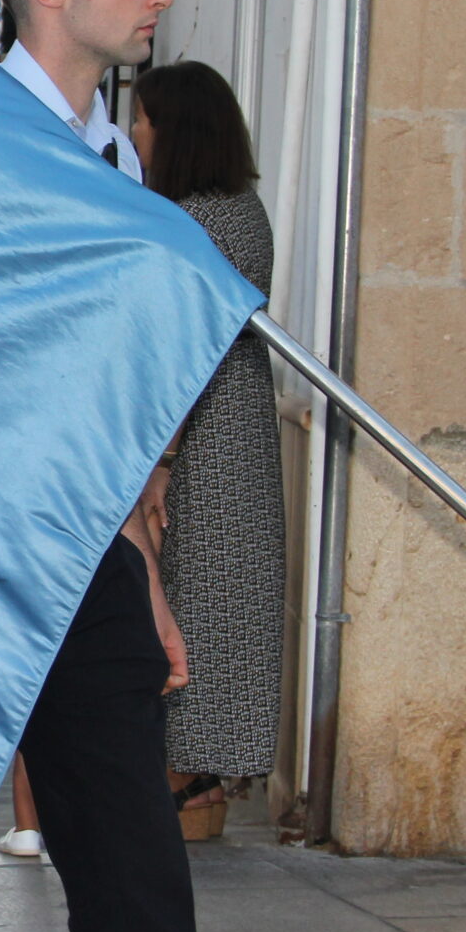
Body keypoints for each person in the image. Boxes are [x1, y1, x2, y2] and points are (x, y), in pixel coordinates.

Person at [0, 0, 207, 932]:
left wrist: (145, 570)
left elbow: (117, 393)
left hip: (87, 575)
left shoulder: (117, 158)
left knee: (139, 901)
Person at [129, 60, 285, 838]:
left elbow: (185, 345)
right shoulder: (241, 209)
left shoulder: (196, 220)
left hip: (203, 429)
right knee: (223, 597)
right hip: (237, 418)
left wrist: (159, 461)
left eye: (145, 117)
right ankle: (202, 782)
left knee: (194, 598)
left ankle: (186, 774)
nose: (134, 130)